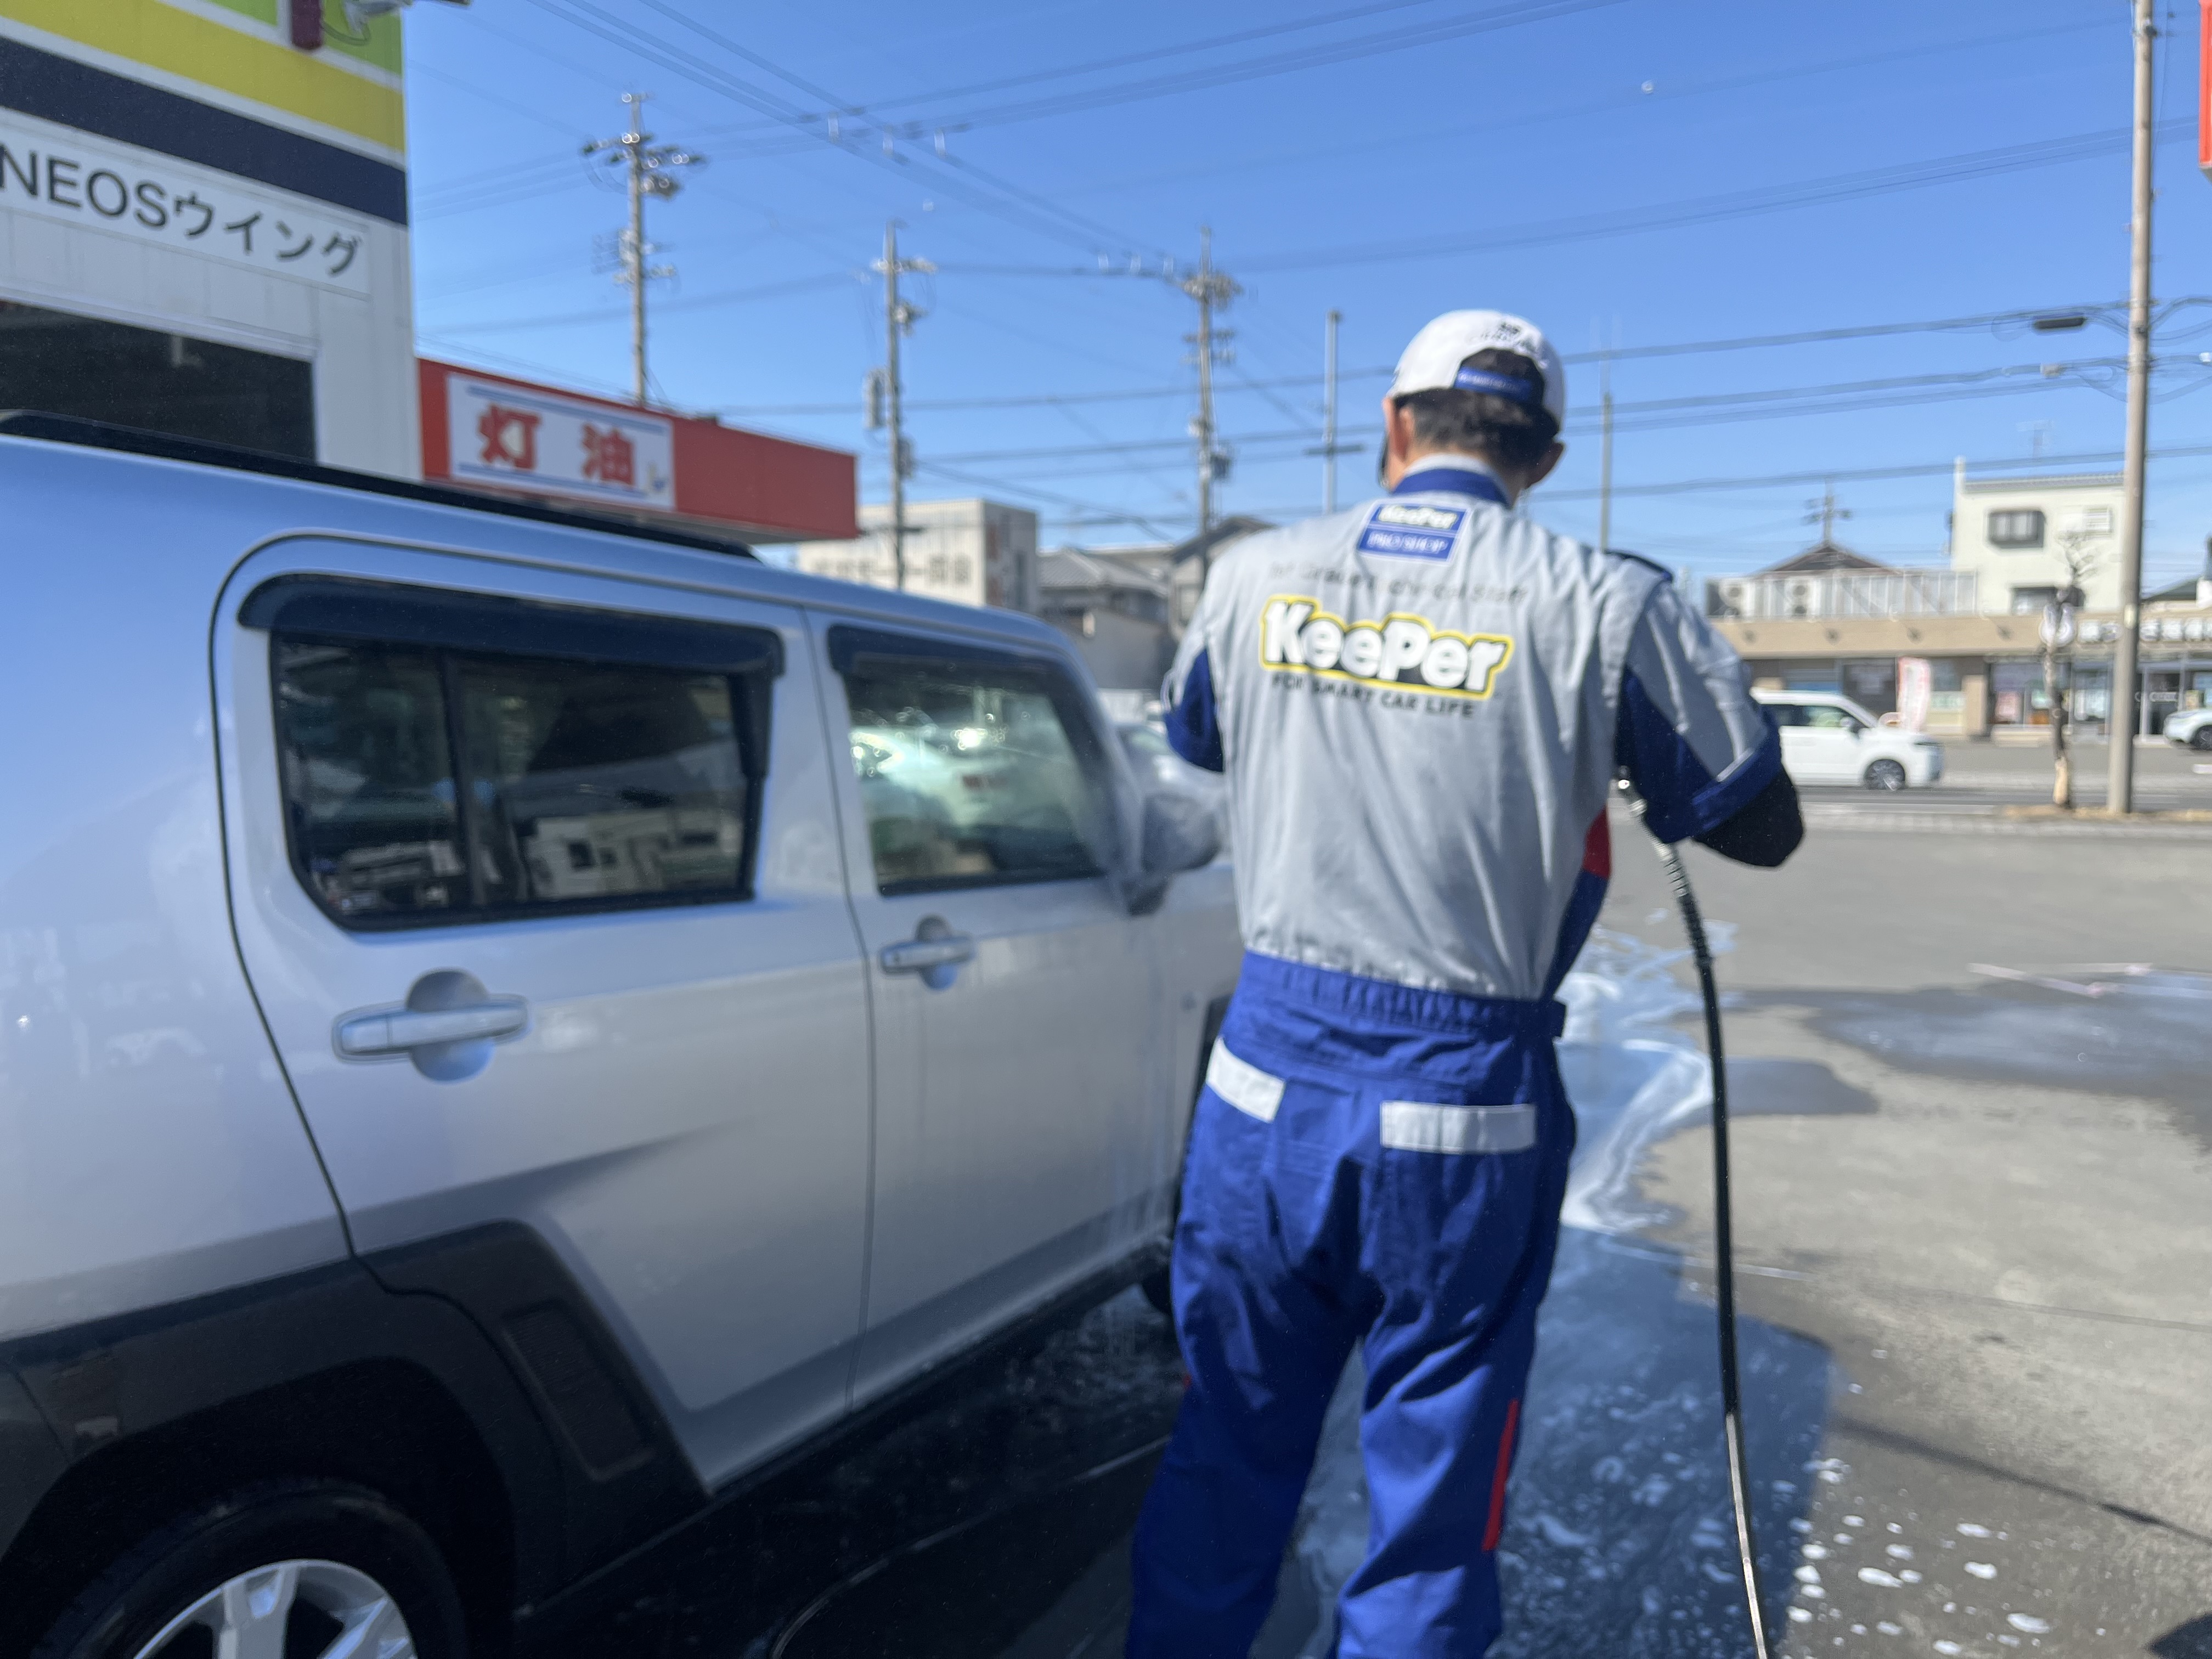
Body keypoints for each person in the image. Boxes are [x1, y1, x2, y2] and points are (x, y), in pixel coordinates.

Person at [1126, 308, 1802, 1658]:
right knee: (1434, 1501)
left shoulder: (1254, 574)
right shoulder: (1609, 601)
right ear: (1542, 456)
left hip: (1266, 1089)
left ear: (1395, 428)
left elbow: (1200, 736)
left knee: (1228, 1448)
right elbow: (1758, 824)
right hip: (1463, 1110)